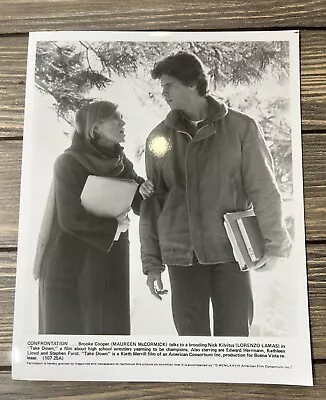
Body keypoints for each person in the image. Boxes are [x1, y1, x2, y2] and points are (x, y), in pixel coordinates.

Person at [139, 51, 292, 337]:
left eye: (169, 85)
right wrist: (152, 264)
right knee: (192, 347)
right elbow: (153, 203)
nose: (164, 93)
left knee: (235, 341)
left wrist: (274, 245)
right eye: (162, 87)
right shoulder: (159, 138)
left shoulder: (241, 128)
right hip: (180, 254)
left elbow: (264, 189)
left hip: (231, 251)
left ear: (193, 84)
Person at [36, 100, 154, 335]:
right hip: (71, 264)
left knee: (108, 334)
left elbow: (137, 200)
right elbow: (70, 218)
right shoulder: (68, 163)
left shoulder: (122, 164)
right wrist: (115, 225)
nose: (123, 122)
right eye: (115, 117)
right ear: (95, 128)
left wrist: (145, 190)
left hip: (109, 262)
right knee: (74, 334)